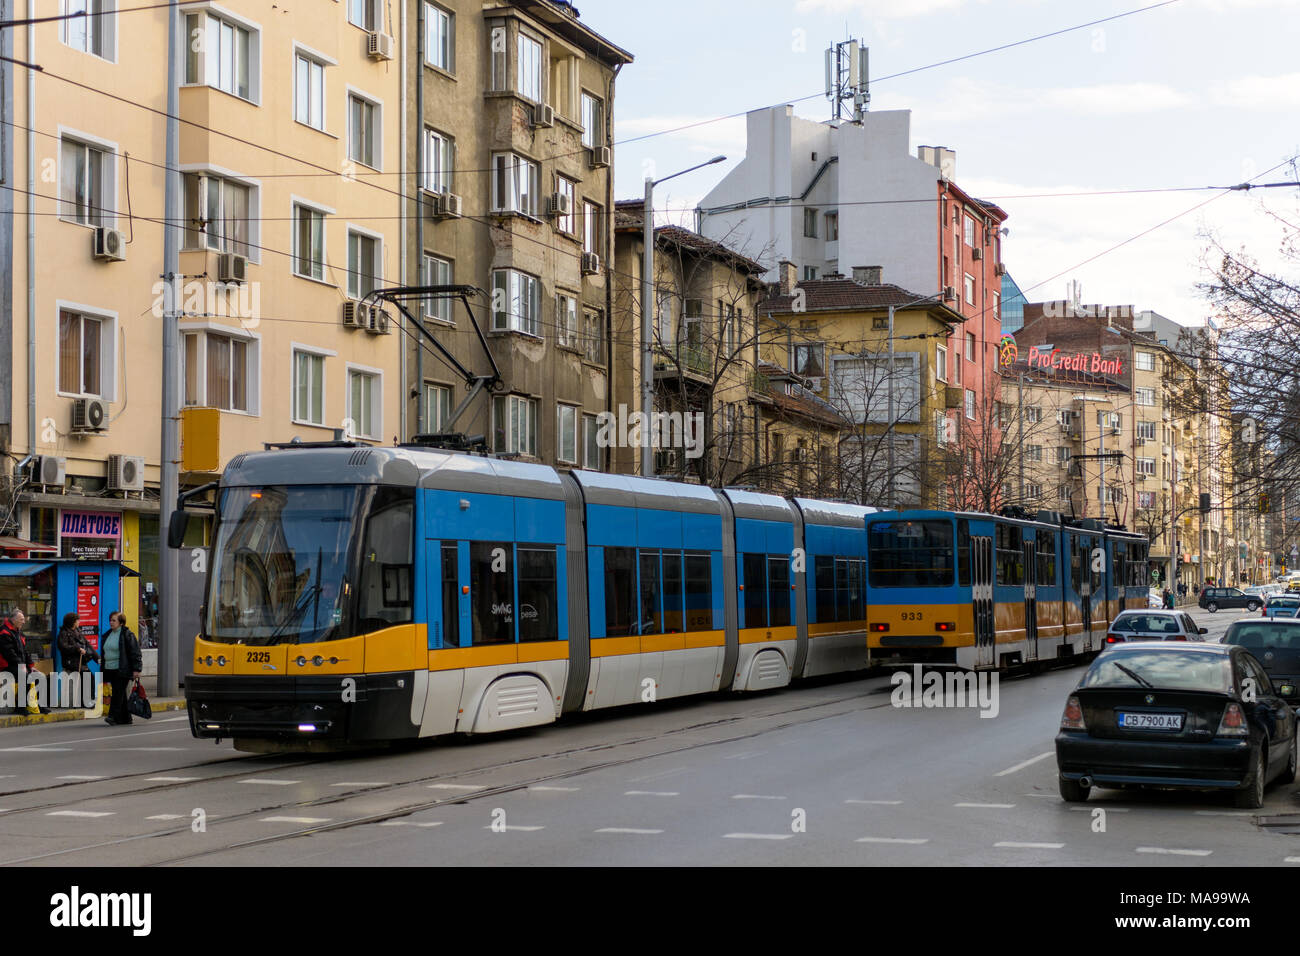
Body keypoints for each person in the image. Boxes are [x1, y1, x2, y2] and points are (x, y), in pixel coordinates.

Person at [0, 607, 46, 715]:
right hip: (6, 666)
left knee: (40, 676)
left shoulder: (18, 632)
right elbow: (9, 654)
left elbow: (24, 652)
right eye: (21, 619)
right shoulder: (4, 632)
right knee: (24, 676)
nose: (24, 622)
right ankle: (21, 707)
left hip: (18, 665)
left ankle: (39, 705)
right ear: (14, 619)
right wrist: (22, 666)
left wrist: (30, 665)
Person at [100, 610, 142, 726]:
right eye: (110, 620)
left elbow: (135, 652)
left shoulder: (127, 634)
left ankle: (112, 716)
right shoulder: (108, 634)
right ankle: (126, 718)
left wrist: (137, 669)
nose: (111, 622)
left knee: (117, 693)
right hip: (110, 668)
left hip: (122, 669)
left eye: (114, 620)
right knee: (121, 693)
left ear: (121, 623)